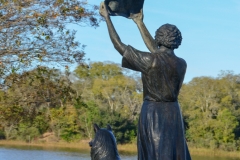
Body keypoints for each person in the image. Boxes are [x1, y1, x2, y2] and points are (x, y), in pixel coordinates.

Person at [99, 2, 191, 160]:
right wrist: (139, 22)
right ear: (177, 40)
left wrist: (108, 19)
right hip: (174, 112)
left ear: (158, 38)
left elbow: (118, 45)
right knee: (172, 153)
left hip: (153, 112)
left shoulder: (150, 61)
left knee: (153, 152)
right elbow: (158, 52)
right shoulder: (181, 63)